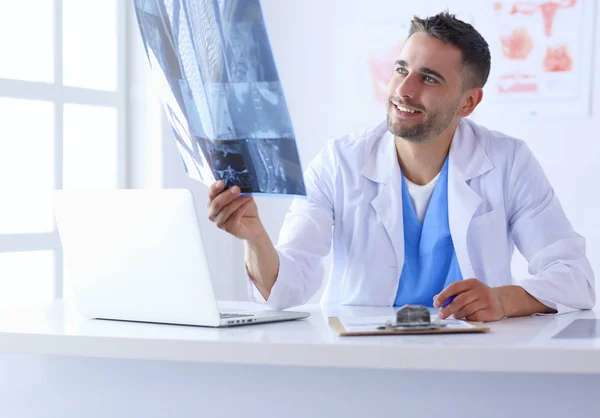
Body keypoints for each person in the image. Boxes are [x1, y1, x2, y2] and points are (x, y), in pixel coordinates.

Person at [206, 11, 595, 321]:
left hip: (477, 365)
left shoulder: (508, 162)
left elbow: (576, 279)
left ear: (468, 103)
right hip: (363, 367)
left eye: (429, 78)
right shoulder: (340, 162)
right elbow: (288, 289)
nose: (404, 90)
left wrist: (502, 299)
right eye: (401, 69)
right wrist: (254, 238)